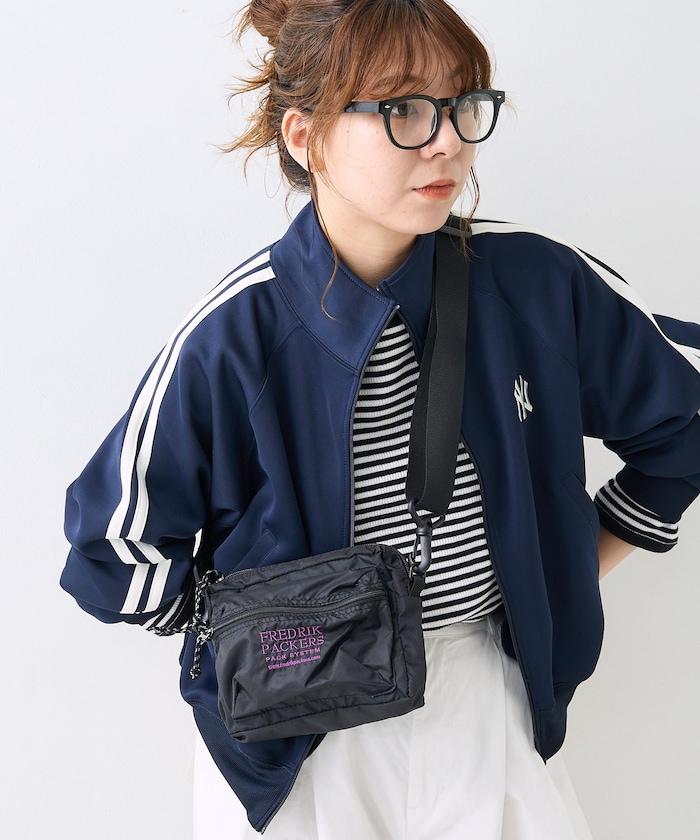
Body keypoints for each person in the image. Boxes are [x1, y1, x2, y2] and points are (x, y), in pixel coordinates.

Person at [59, 0, 700, 837]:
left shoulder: (537, 282)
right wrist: (268, 638)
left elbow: (685, 419)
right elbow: (113, 549)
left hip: (485, 698)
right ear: (307, 137)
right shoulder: (234, 335)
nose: (447, 141)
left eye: (463, 104)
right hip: (301, 741)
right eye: (403, 109)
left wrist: (566, 570)